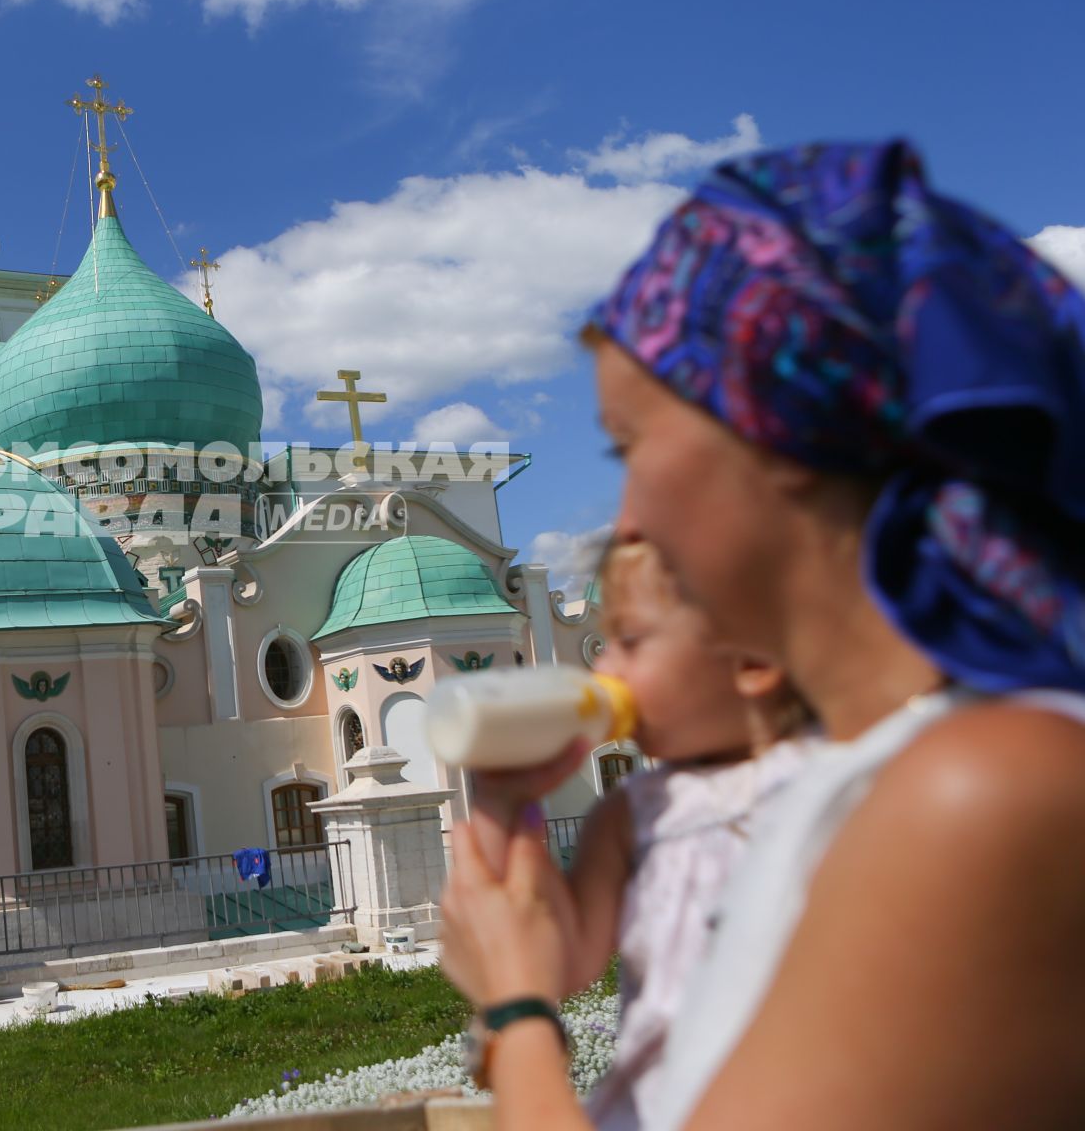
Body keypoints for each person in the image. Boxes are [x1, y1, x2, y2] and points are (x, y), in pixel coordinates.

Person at [437, 140, 1085, 1129]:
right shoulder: (870, 770)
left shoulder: (980, 789)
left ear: (772, 439)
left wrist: (521, 1010)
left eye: (631, 446)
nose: (630, 516)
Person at [466, 541, 819, 1128]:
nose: (603, 668)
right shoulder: (629, 816)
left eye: (629, 642)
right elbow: (567, 961)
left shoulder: (829, 783)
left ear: (752, 659)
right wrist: (506, 806)